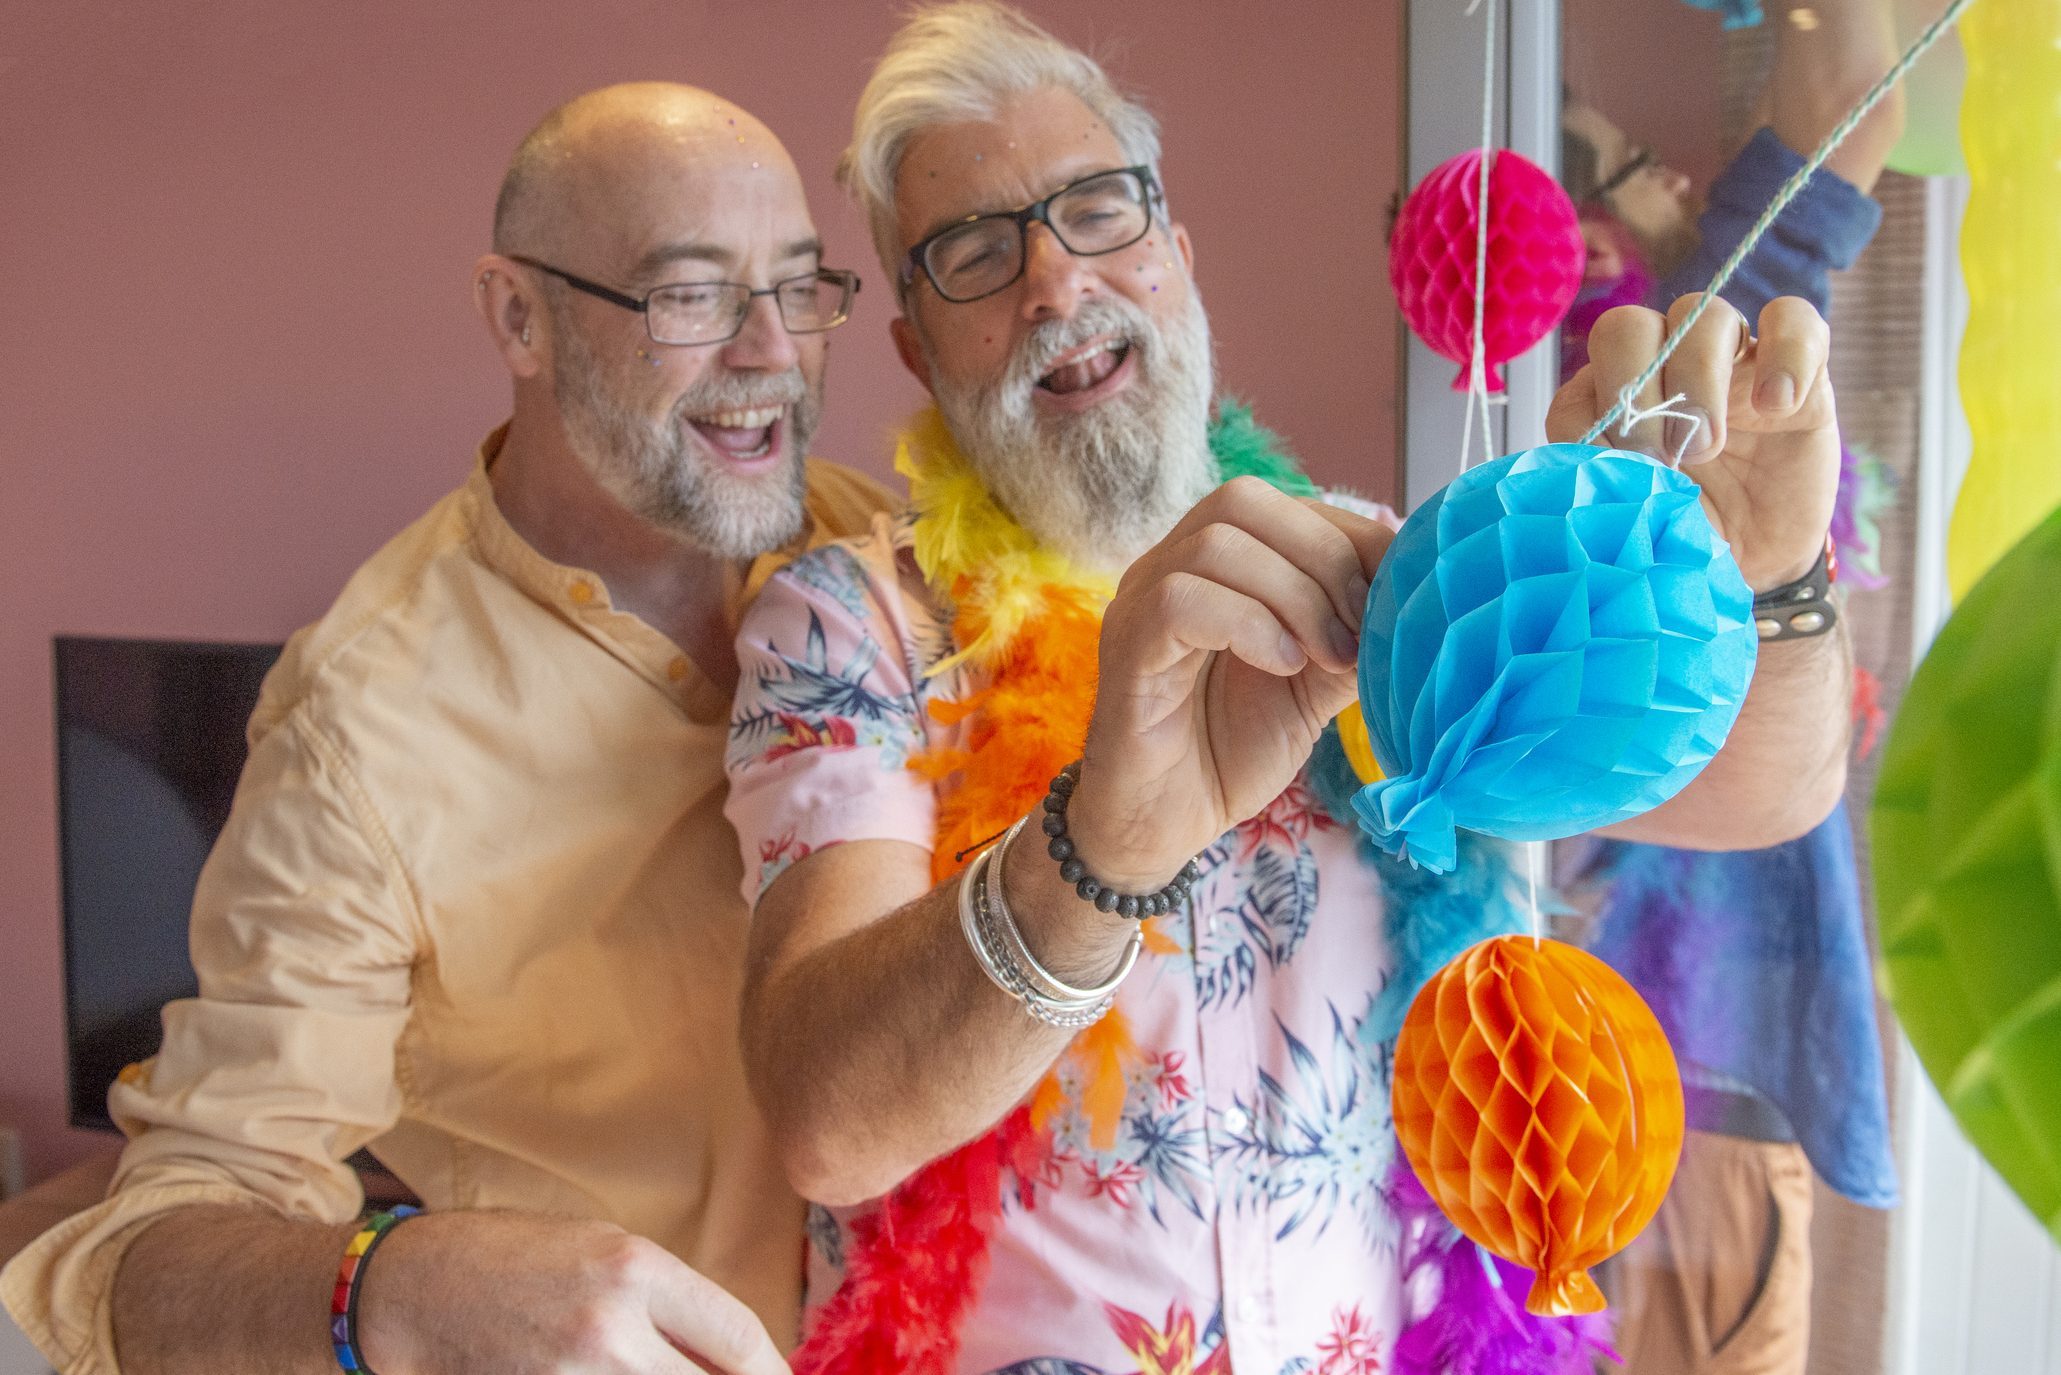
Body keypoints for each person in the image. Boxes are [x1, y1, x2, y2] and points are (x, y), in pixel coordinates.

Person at [721, 5, 1855, 1371]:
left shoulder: (1388, 575)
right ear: (915, 351)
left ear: (1176, 261)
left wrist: (1776, 577)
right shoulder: (848, 628)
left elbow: (1756, 792)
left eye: (1095, 211)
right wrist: (1104, 843)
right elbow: (829, 1127)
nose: (1053, 286)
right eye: (974, 253)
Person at [1, 83, 892, 1375]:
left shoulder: (894, 557)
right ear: (518, 317)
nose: (772, 353)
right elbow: (150, 1251)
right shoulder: (354, 733)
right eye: (691, 296)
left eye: (800, 288)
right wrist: (396, 1287)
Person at [1560, 4, 1905, 1369]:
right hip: (1567, 1096)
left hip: (1708, 1078)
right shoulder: (1528, 463)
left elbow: (1853, 93)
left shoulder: (1729, 361)